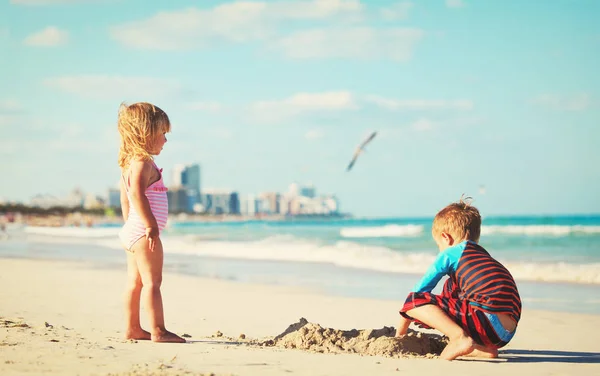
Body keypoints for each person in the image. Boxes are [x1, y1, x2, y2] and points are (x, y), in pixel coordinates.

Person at [395, 197, 521, 360]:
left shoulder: (450, 253)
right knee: (451, 286)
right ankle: (481, 349)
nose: (440, 250)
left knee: (413, 302)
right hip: (505, 333)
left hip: (486, 321)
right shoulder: (482, 256)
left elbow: (418, 293)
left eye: (439, 245)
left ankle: (459, 338)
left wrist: (400, 334)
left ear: (446, 238)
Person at [117, 102, 185, 343]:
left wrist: (131, 226)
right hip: (143, 233)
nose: (165, 140)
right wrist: (149, 225)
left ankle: (133, 329)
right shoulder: (142, 163)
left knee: (135, 283)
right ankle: (158, 330)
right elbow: (136, 193)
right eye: (162, 134)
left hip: (133, 232)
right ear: (146, 133)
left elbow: (125, 199)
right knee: (153, 282)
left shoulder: (129, 164)